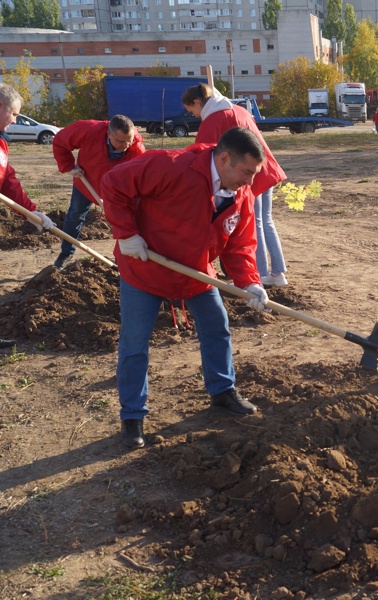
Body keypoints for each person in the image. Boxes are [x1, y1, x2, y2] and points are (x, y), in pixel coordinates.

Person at [102, 127, 271, 449]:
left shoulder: (240, 195)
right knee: (135, 343)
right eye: (246, 172)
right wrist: (126, 234)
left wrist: (249, 281)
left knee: (216, 327)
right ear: (224, 159)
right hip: (146, 268)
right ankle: (133, 417)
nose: (250, 182)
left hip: (195, 273)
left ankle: (223, 392)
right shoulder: (172, 166)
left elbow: (239, 245)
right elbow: (113, 184)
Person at [183, 84, 289, 286]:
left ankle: (258, 274)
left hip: (247, 174)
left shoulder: (213, 119)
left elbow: (201, 154)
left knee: (253, 223)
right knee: (265, 220)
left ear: (197, 102)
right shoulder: (236, 109)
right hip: (264, 169)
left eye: (192, 111)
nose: (195, 115)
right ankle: (277, 272)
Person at [51, 115, 146, 269]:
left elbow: (140, 179)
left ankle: (121, 260)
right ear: (109, 134)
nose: (126, 145)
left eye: (130, 140)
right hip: (85, 181)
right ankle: (66, 253)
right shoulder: (89, 131)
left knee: (123, 221)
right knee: (75, 215)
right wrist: (68, 166)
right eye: (121, 141)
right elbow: (60, 141)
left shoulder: (137, 150)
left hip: (115, 190)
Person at [0, 83, 55, 233]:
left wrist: (29, 211)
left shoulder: (1, 143)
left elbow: (7, 180)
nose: (14, 121)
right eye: (14, 114)